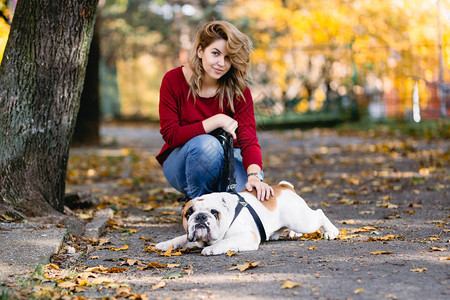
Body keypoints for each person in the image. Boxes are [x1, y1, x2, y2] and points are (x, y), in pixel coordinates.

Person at [156, 20, 274, 202]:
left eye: (228, 58)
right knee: (207, 145)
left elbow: (248, 139)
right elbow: (171, 135)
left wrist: (254, 175)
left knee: (250, 199)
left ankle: (219, 198)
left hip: (230, 160)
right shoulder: (173, 80)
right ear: (200, 50)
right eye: (216, 53)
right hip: (184, 161)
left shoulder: (239, 91)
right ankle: (198, 204)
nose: (221, 63)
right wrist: (217, 120)